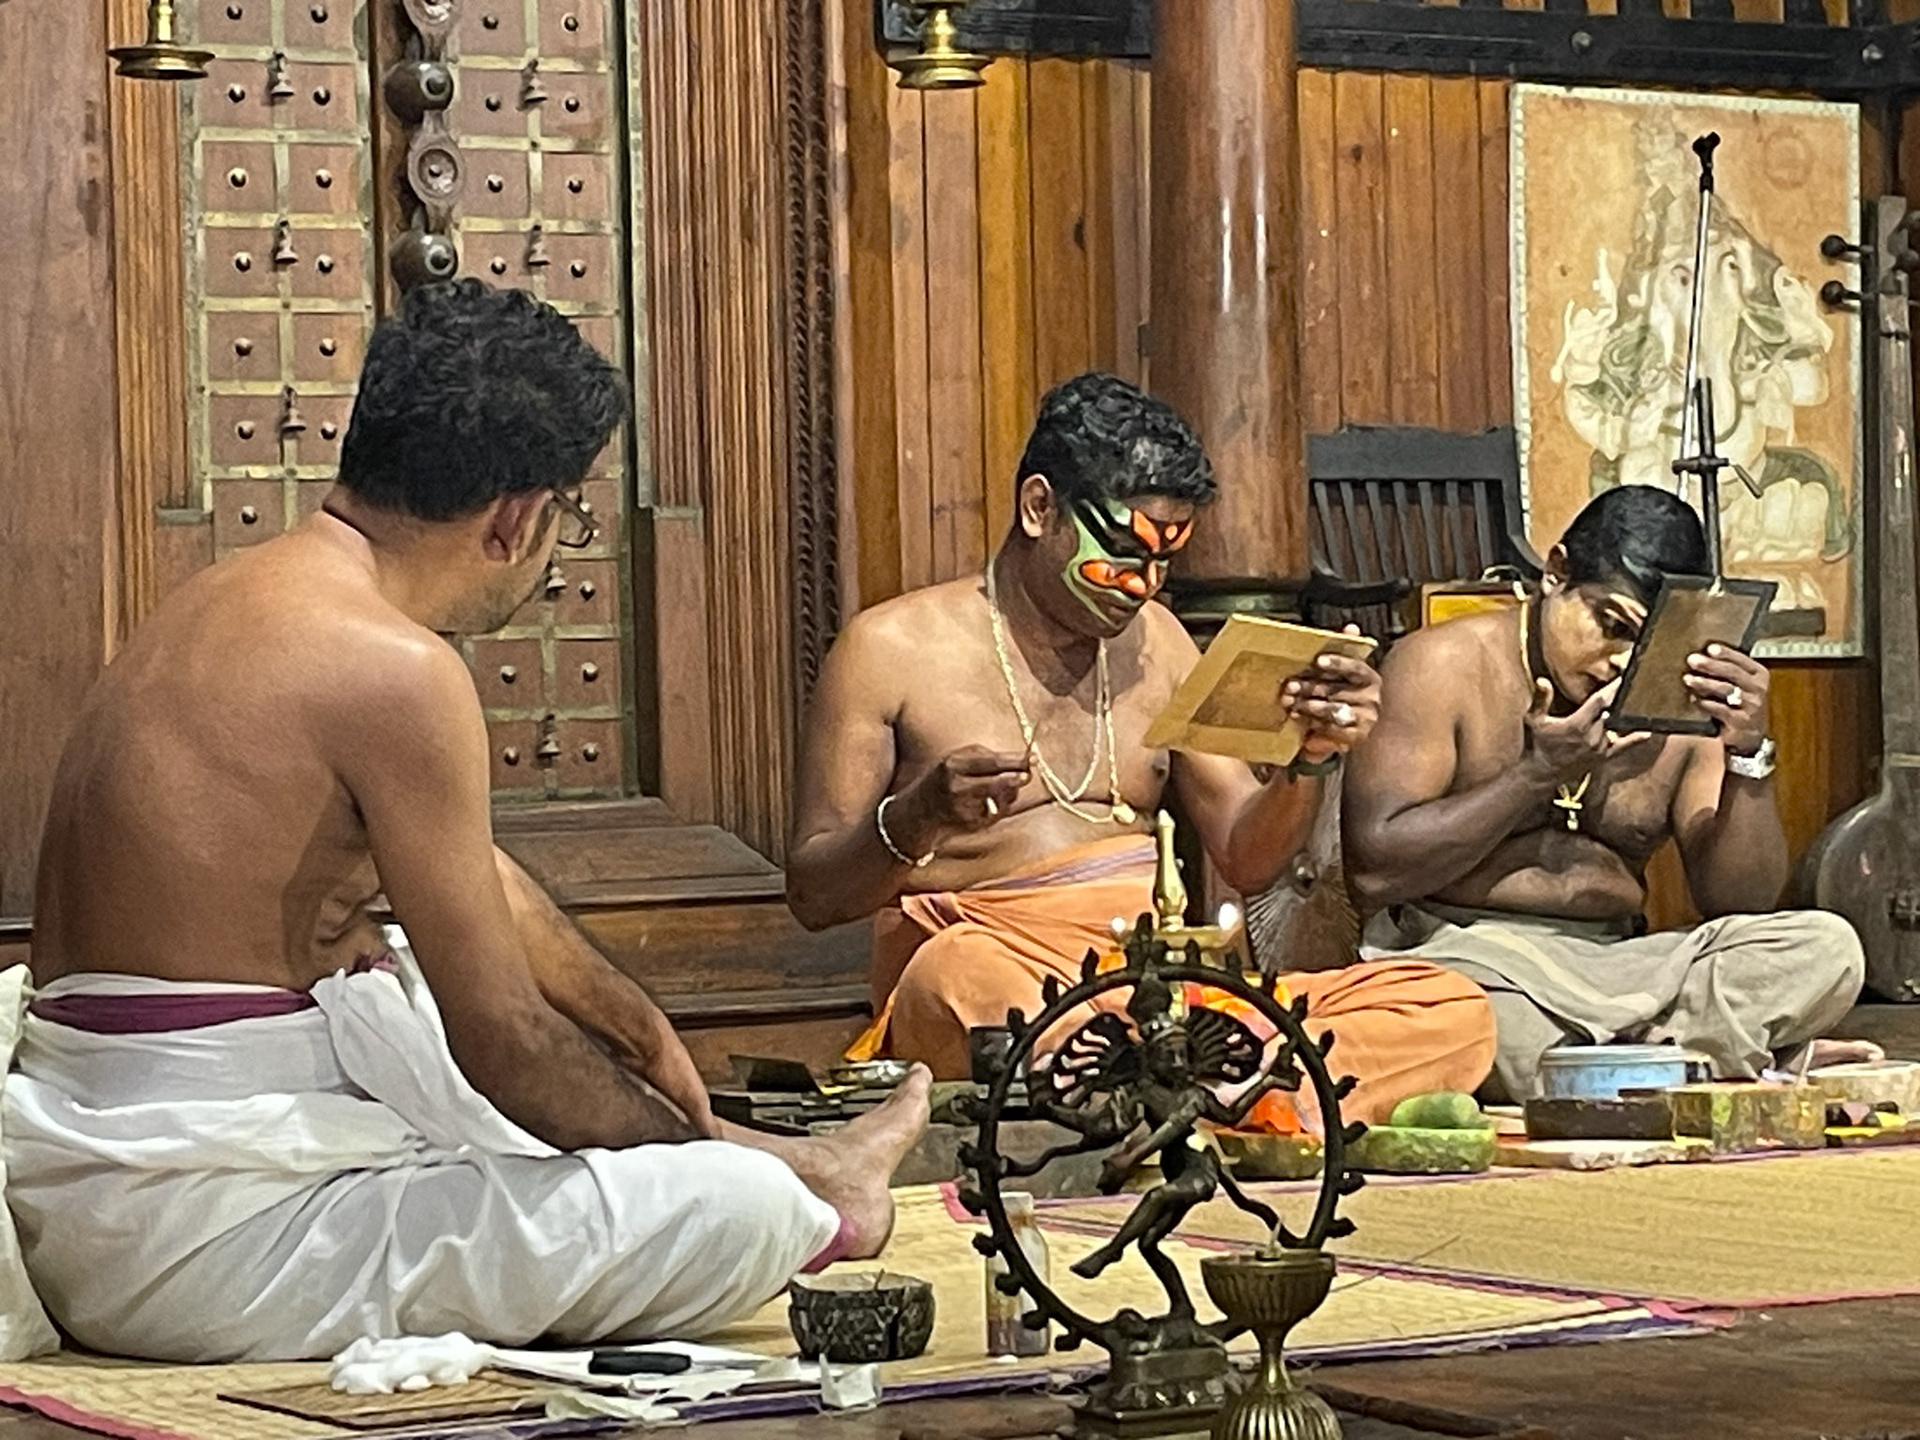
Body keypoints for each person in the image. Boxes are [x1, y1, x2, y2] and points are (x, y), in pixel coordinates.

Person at [17, 279, 928, 1363]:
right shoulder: (398, 671)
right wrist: (693, 1154)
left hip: (84, 1211)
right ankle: (810, 1198)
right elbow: (504, 1045)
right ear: (520, 516)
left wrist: (635, 1023)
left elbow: (471, 877)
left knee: (555, 1134)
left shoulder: (223, 601)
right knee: (730, 1213)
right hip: (203, 1251)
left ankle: (783, 1165)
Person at [786, 372, 1495, 1126]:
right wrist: (919, 817)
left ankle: (1187, 1097)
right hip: (1013, 966)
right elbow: (815, 894)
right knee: (956, 978)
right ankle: (1242, 1097)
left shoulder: (1160, 643)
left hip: (1170, 989)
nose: (1143, 586)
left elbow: (1245, 855)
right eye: (1123, 552)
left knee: (1450, 1004)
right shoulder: (888, 649)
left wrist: (1310, 760)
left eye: (1164, 561)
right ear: (1038, 508)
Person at [1343, 483, 1878, 1101]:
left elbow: (1741, 902)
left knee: (1828, 949)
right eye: (1610, 623)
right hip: (1470, 956)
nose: (1622, 662)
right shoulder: (1439, 665)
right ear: (1556, 572)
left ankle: (1616, 1065)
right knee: (1469, 1023)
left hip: (1623, 963)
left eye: (1647, 644)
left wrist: (1749, 751)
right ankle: (1700, 1057)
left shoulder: (1675, 693)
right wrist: (1534, 774)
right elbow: (1376, 873)